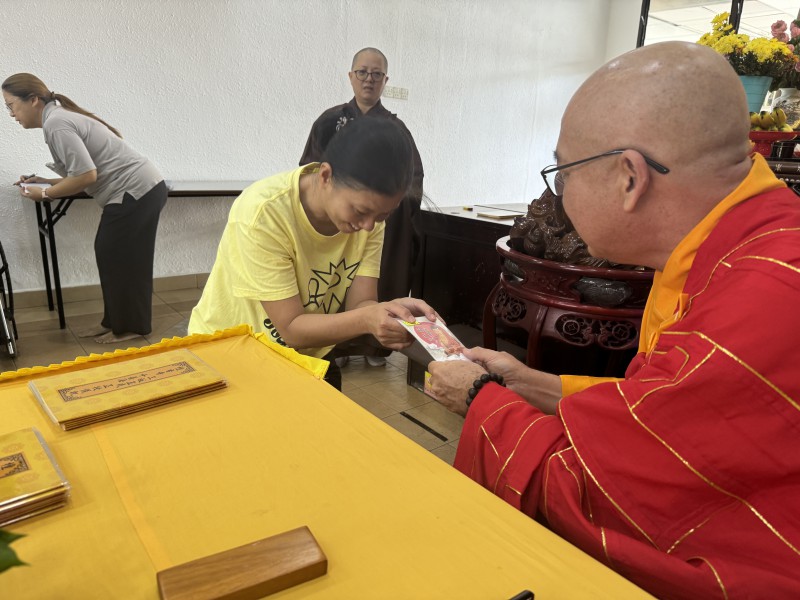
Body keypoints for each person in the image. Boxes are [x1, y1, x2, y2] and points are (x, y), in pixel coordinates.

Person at [427, 41, 800, 600]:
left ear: (630, 178)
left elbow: (612, 495)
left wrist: (480, 399)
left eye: (563, 173)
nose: (558, 196)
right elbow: (658, 411)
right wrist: (531, 384)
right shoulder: (735, 247)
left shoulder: (765, 295)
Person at [189, 117, 436, 390]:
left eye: (382, 215)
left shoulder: (370, 221)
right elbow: (291, 328)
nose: (368, 226)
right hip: (232, 352)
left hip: (304, 353)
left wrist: (389, 313)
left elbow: (361, 304)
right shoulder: (264, 212)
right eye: (360, 211)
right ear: (326, 176)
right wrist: (368, 319)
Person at [3, 73, 166, 344]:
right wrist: (45, 182)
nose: (10, 114)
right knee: (112, 257)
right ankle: (113, 322)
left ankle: (131, 328)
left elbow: (87, 176)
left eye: (11, 105)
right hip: (136, 191)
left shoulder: (57, 123)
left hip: (136, 191)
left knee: (123, 259)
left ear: (33, 100)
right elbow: (82, 174)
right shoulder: (57, 119)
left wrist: (45, 193)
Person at [300, 47, 425, 367]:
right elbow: (309, 171)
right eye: (362, 72)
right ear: (351, 76)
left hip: (383, 226)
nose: (369, 79)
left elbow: (412, 179)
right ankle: (335, 345)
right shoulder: (329, 122)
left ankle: (373, 347)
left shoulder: (396, 130)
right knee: (333, 280)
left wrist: (381, 209)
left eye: (376, 74)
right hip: (335, 222)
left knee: (374, 282)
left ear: (385, 81)